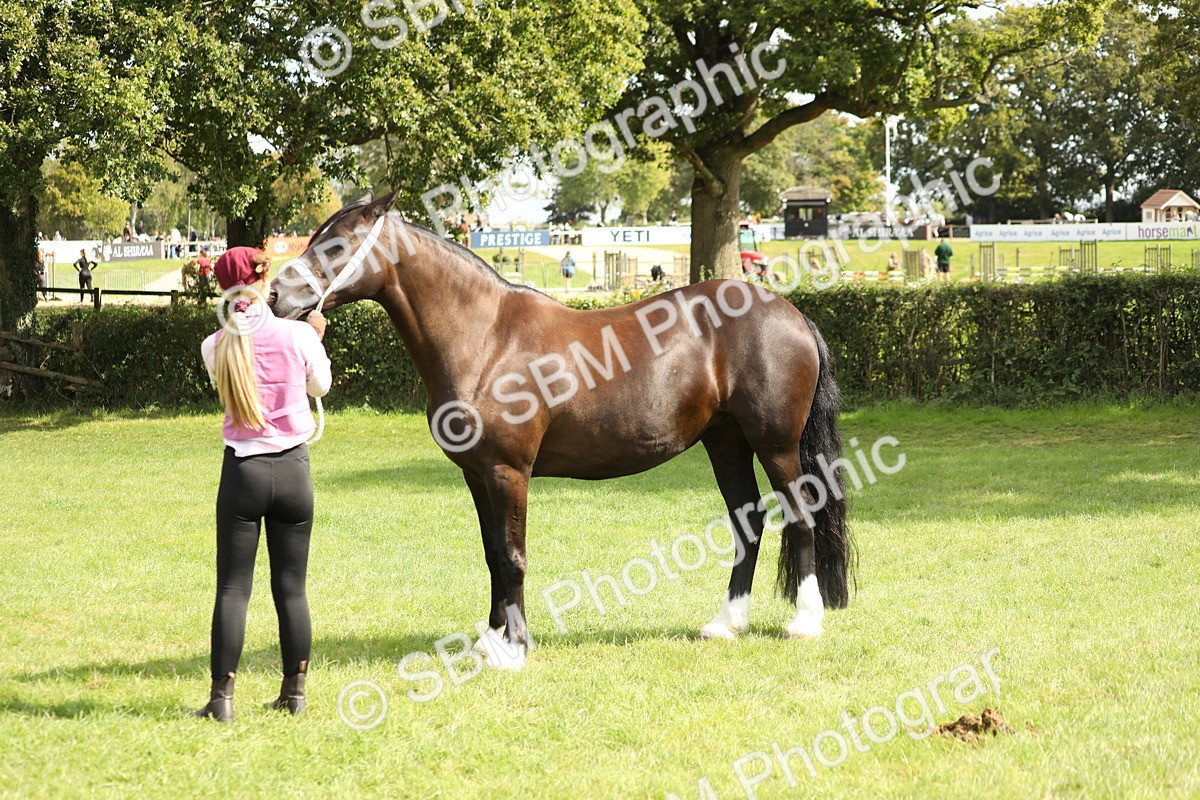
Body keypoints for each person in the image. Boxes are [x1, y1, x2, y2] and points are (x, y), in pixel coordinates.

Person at [193, 247, 331, 723]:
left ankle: (221, 700)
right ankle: (294, 694)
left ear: (221, 289)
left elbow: (230, 381)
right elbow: (320, 388)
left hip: (243, 473)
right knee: (292, 589)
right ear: (265, 282)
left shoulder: (214, 345)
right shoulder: (298, 335)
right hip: (293, 470)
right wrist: (315, 338)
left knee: (233, 589)